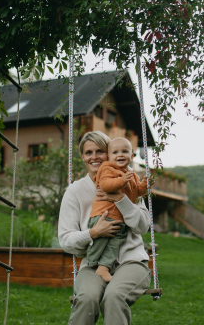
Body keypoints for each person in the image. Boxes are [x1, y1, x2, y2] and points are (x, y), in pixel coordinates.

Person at [58, 131, 151, 325]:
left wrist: (121, 199)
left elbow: (143, 227)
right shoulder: (75, 192)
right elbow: (66, 240)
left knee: (114, 297)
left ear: (108, 154)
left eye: (100, 151)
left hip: (130, 261)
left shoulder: (127, 180)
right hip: (94, 264)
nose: (94, 157)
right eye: (88, 152)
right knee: (86, 298)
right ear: (82, 156)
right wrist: (93, 233)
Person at [87, 137, 149, 282]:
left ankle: (103, 267)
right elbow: (106, 186)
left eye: (125, 151)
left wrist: (145, 184)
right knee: (100, 242)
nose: (120, 155)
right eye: (115, 152)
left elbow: (137, 192)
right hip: (103, 216)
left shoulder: (132, 175)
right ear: (108, 157)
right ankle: (90, 264)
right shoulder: (107, 169)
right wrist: (122, 181)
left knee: (115, 244)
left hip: (119, 221)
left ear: (132, 156)